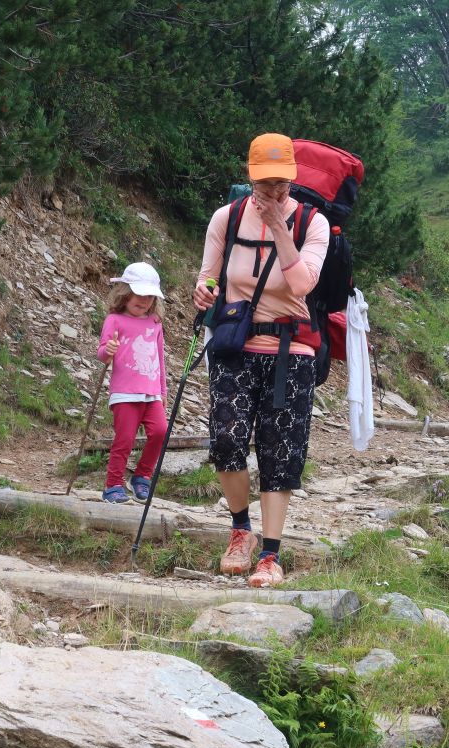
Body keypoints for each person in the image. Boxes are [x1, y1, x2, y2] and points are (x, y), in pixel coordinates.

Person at [193, 133, 329, 587]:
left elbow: (302, 285)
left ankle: (271, 555)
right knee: (226, 437)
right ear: (251, 177)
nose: (275, 190)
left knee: (280, 449)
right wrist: (204, 290)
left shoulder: (313, 223)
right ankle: (240, 531)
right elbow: (210, 275)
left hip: (292, 351)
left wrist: (277, 228)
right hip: (236, 345)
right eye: (266, 182)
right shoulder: (225, 218)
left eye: (282, 182)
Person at [97, 262, 168, 504]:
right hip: (125, 393)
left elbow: (160, 358)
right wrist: (109, 349)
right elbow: (103, 354)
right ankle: (113, 485)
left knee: (160, 432)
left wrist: (162, 390)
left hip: (151, 392)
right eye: (139, 294)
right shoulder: (115, 320)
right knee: (124, 440)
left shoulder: (155, 322)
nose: (145, 300)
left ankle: (142, 477)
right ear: (125, 293)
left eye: (150, 296)